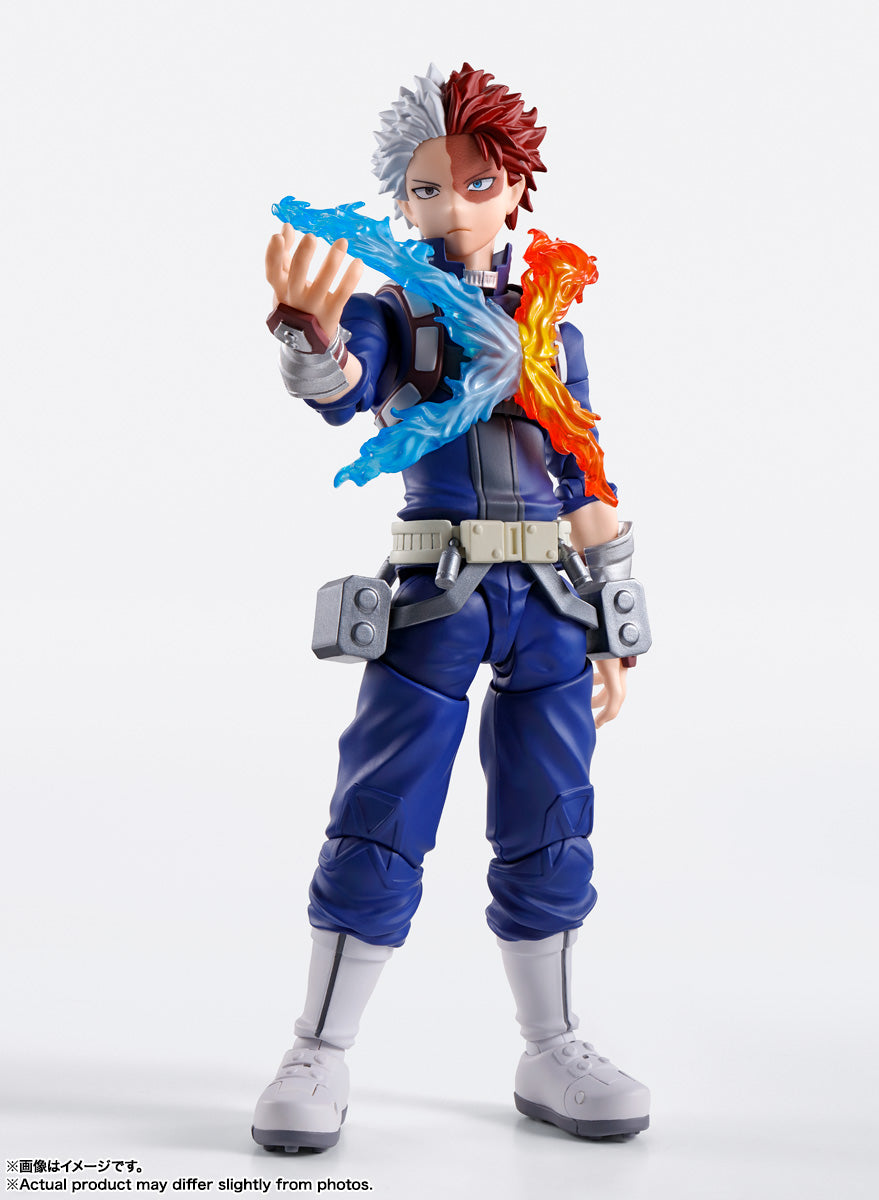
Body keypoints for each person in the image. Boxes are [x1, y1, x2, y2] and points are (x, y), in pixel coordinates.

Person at [252, 63, 651, 1151]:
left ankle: (552, 1043)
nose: (455, 206)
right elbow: (344, 387)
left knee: (551, 819)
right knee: (382, 814)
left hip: (550, 605)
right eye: (429, 189)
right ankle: (319, 1048)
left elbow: (586, 478)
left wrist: (618, 624)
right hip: (437, 599)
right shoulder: (394, 314)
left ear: (516, 189)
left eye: (477, 184)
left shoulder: (552, 331)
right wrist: (310, 340)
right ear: (403, 202)